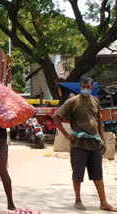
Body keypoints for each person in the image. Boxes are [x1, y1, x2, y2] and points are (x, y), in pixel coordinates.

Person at [53, 76, 117, 212]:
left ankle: (104, 202)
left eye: (88, 87)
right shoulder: (72, 102)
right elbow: (56, 117)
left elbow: (99, 122)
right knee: (78, 175)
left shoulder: (95, 101)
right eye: (83, 87)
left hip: (94, 145)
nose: (86, 89)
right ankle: (78, 200)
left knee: (98, 175)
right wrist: (67, 135)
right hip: (79, 145)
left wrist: (103, 141)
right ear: (80, 87)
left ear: (92, 87)